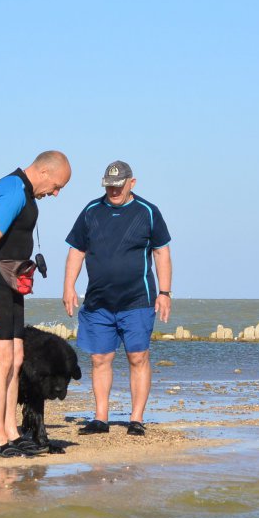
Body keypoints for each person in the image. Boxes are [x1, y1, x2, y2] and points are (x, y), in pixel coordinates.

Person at [63, 160, 172, 437]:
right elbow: (77, 250)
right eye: (109, 186)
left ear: (131, 183)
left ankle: (136, 419)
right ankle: (101, 418)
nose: (113, 191)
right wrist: (69, 287)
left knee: (138, 357)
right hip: (99, 302)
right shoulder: (91, 211)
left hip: (137, 300)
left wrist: (164, 293)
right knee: (100, 359)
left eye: (118, 186)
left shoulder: (148, 212)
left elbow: (161, 252)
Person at [0, 150, 72, 457]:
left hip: (12, 280)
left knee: (15, 357)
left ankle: (12, 432)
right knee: (0, 359)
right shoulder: (13, 189)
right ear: (43, 172)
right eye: (56, 186)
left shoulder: (27, 194)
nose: (55, 193)